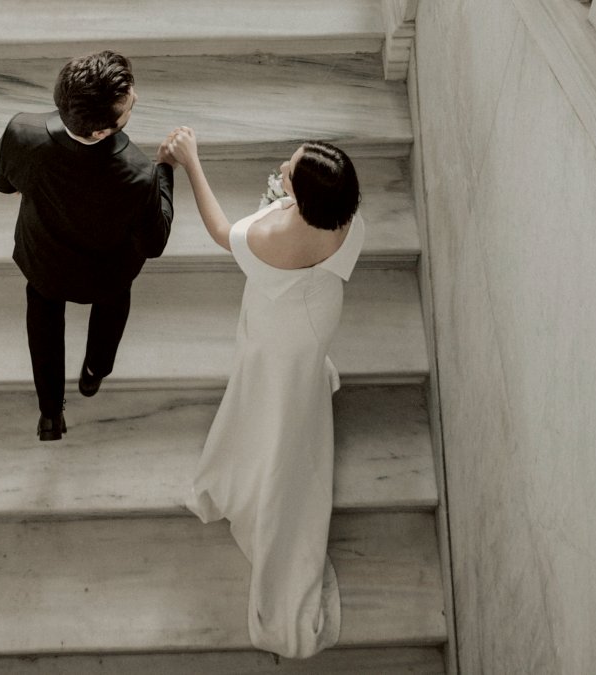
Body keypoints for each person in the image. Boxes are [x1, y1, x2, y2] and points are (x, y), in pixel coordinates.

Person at [166, 128, 364, 659]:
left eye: (290, 171)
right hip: (319, 314)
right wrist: (286, 201)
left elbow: (220, 231)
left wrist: (192, 162)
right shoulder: (348, 219)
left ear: (304, 197)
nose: (281, 166)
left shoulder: (274, 238)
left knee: (270, 391)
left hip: (280, 331)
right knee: (298, 379)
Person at [0, 51, 177, 441]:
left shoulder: (21, 132)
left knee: (42, 321)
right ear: (100, 132)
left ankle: (49, 415)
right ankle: (93, 374)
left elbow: (2, 182)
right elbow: (153, 242)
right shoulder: (139, 174)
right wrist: (166, 173)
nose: (136, 99)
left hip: (44, 260)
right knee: (112, 310)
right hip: (107, 274)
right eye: (127, 107)